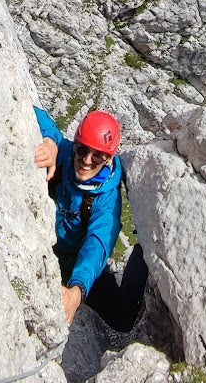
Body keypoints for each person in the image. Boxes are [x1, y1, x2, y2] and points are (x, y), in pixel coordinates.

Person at [34, 105, 148, 330]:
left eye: (97, 155)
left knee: (122, 320)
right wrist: (50, 141)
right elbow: (35, 112)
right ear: (75, 144)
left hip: (77, 264)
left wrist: (77, 290)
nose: (86, 160)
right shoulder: (66, 153)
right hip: (50, 254)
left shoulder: (107, 199)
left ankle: (140, 257)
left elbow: (97, 243)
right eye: (83, 150)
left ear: (108, 158)